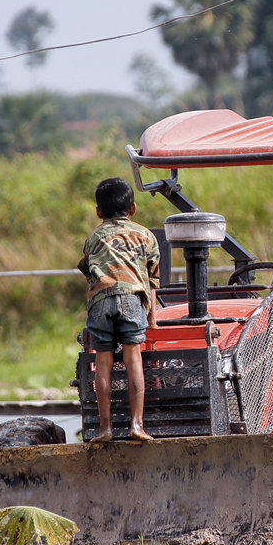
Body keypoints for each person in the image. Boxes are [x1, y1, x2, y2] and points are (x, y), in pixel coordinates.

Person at [77, 177, 160, 443]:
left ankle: (105, 429)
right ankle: (136, 425)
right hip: (132, 298)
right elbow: (152, 281)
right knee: (132, 359)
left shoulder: (93, 238)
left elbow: (87, 269)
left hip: (101, 301)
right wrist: (152, 319)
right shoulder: (146, 236)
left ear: (98, 212)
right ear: (133, 209)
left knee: (103, 362)